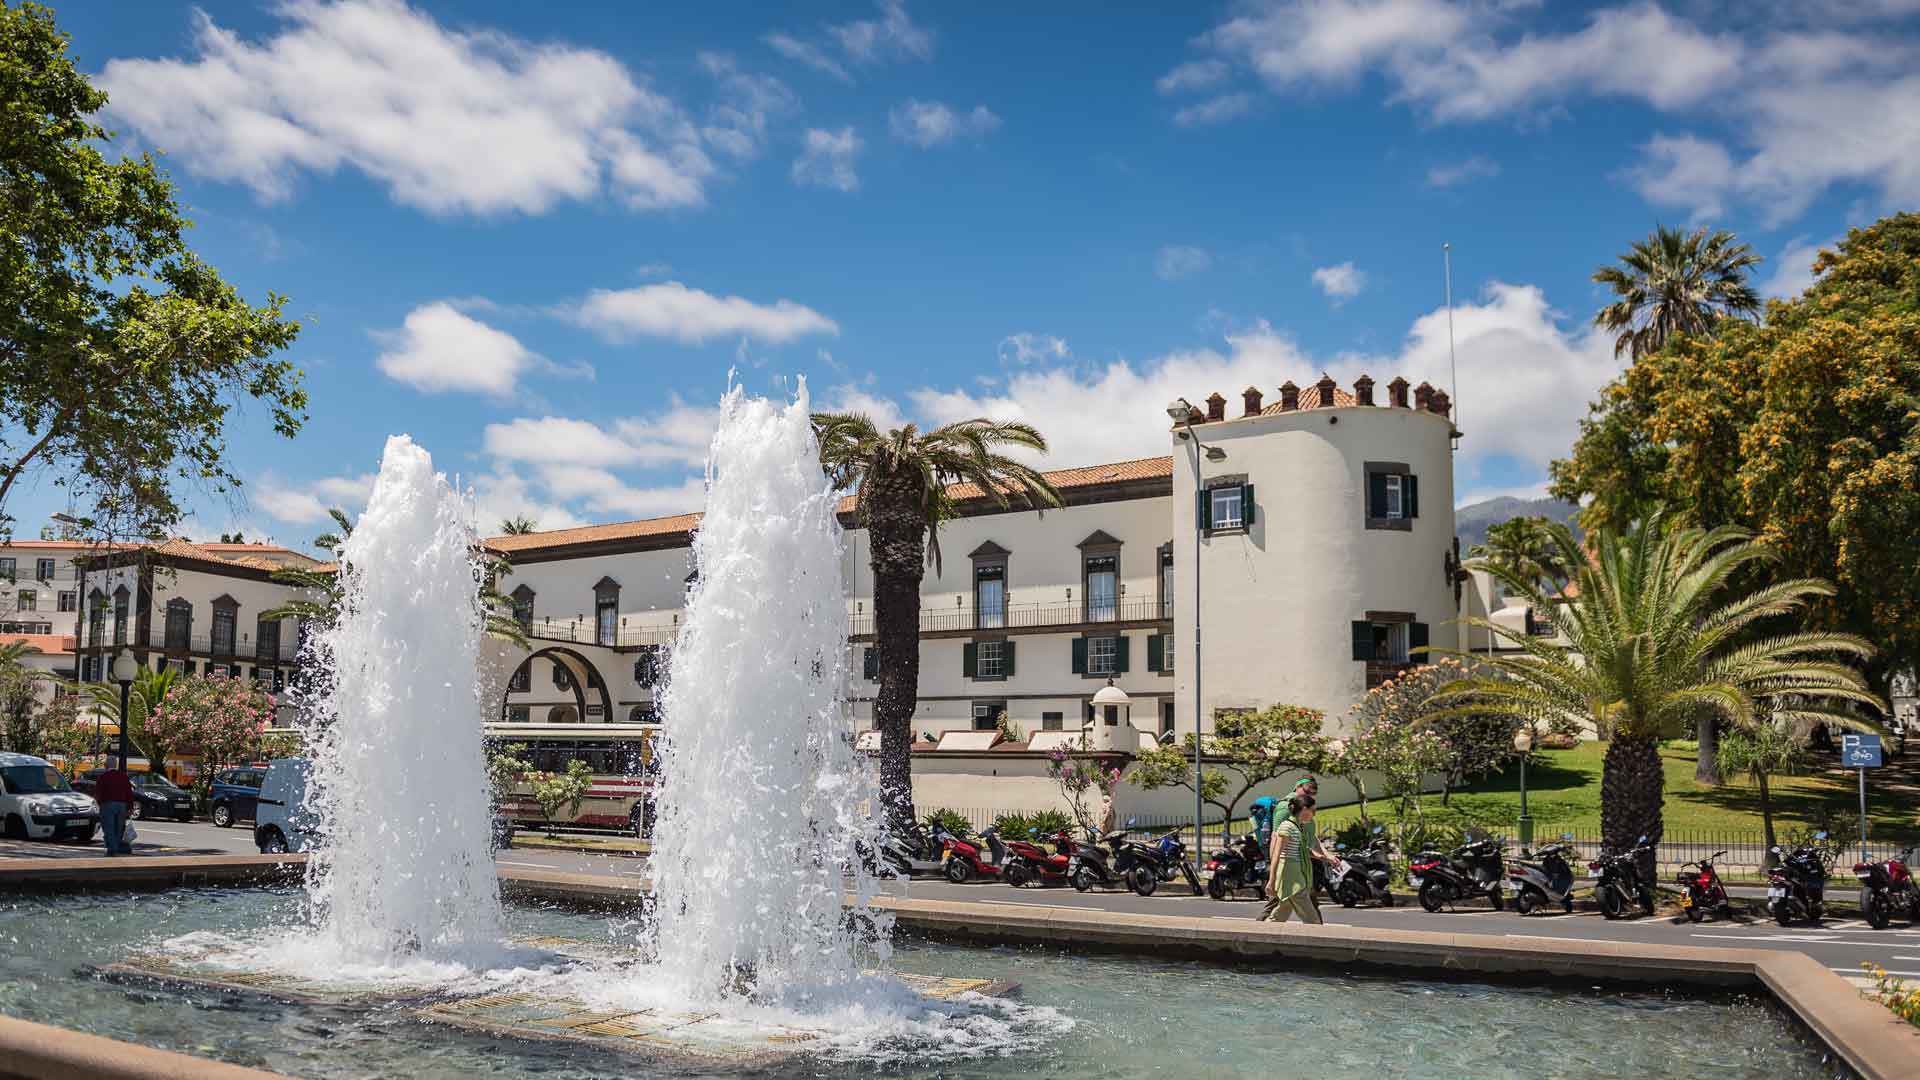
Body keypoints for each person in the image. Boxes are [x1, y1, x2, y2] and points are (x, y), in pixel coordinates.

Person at [1260, 795, 1323, 924]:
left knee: (1281, 913)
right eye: (1313, 811)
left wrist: (1323, 857)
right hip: (1291, 877)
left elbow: (1301, 850)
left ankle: (1262, 934)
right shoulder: (1286, 827)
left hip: (1296, 874)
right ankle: (1319, 941)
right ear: (1304, 809)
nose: (1314, 815)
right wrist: (1271, 881)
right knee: (1313, 920)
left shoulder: (1297, 827)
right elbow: (1277, 855)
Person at [95, 757, 135, 857]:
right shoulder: (123, 776)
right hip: (122, 805)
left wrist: (99, 803)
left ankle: (112, 849)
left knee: (109, 828)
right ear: (115, 765)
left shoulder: (103, 776)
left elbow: (99, 792)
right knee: (119, 828)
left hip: (108, 804)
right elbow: (129, 792)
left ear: (106, 765)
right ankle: (116, 847)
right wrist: (130, 807)